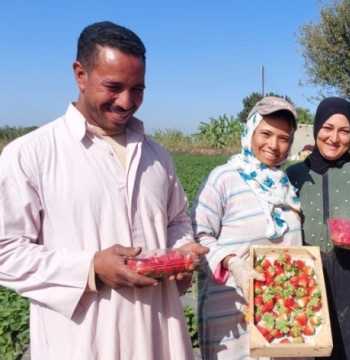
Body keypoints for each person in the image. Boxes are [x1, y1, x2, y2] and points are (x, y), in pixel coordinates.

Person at [0, 21, 208, 359]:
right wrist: (90, 267)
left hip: (158, 333)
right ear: (80, 74)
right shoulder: (31, 154)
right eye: (113, 86)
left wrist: (183, 250)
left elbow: (178, 221)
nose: (126, 102)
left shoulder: (158, 156)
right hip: (81, 342)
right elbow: (5, 252)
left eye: (138, 89)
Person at [193, 96, 304, 359]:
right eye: (265, 133)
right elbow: (198, 235)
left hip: (280, 312)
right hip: (232, 316)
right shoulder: (224, 178)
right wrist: (233, 263)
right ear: (250, 130)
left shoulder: (286, 185)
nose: (274, 145)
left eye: (283, 137)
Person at [287, 97, 350, 360]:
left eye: (344, 131)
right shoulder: (293, 176)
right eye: (328, 128)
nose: (334, 138)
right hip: (305, 281)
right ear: (317, 128)